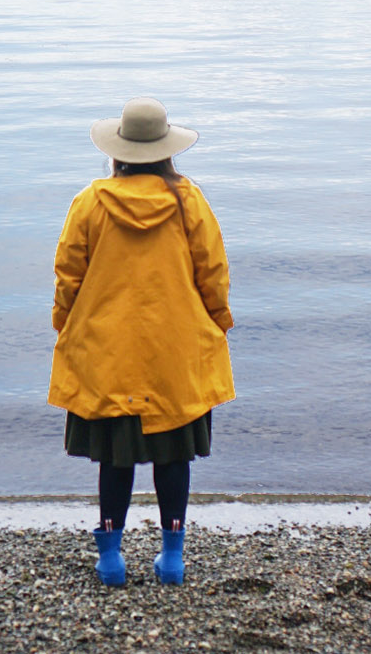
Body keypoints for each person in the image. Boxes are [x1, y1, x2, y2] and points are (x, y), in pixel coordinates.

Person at [48, 96, 235, 587]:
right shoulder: (188, 200)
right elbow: (212, 272)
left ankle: (111, 560)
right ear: (168, 151)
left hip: (109, 353)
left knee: (116, 459)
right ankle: (172, 559)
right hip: (174, 353)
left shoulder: (90, 202)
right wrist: (218, 320)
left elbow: (68, 275)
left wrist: (65, 324)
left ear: (118, 152)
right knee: (174, 457)